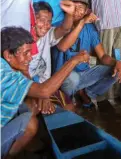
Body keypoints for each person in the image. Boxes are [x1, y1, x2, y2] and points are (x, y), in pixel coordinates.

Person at [1, 27, 89, 158]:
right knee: (30, 123)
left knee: (33, 106)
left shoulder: (5, 65)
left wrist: (42, 94)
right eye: (26, 53)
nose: (30, 58)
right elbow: (44, 90)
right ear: (8, 55)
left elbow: (38, 88)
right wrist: (74, 61)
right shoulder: (5, 75)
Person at [52, 0, 121, 108]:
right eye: (73, 7)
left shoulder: (90, 28)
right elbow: (63, 47)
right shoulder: (60, 25)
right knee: (73, 79)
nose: (76, 10)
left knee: (115, 72)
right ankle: (68, 98)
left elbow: (102, 56)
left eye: (80, 7)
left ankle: (86, 92)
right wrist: (82, 22)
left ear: (86, 11)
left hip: (84, 74)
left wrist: (117, 63)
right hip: (63, 76)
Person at [28, 0, 78, 109]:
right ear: (32, 19)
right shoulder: (23, 42)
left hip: (46, 87)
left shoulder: (47, 35)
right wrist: (41, 93)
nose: (46, 25)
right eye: (42, 20)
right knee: (34, 110)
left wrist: (70, 13)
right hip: (29, 89)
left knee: (69, 107)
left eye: (49, 21)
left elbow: (64, 29)